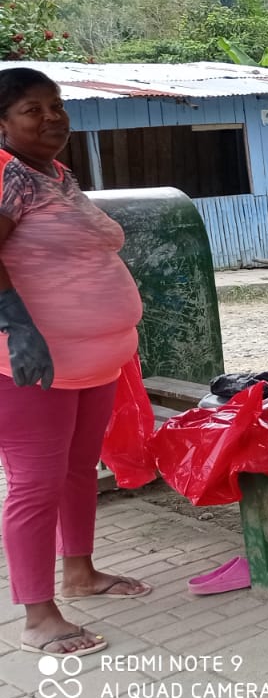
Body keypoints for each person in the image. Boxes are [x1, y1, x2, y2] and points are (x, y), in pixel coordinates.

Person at [0, 67, 153, 657]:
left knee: (77, 470)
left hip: (92, 362)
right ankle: (38, 617)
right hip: (30, 364)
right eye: (32, 109)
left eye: (56, 105)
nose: (52, 117)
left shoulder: (56, 174)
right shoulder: (6, 173)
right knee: (34, 484)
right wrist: (17, 325)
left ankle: (81, 574)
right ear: (2, 124)